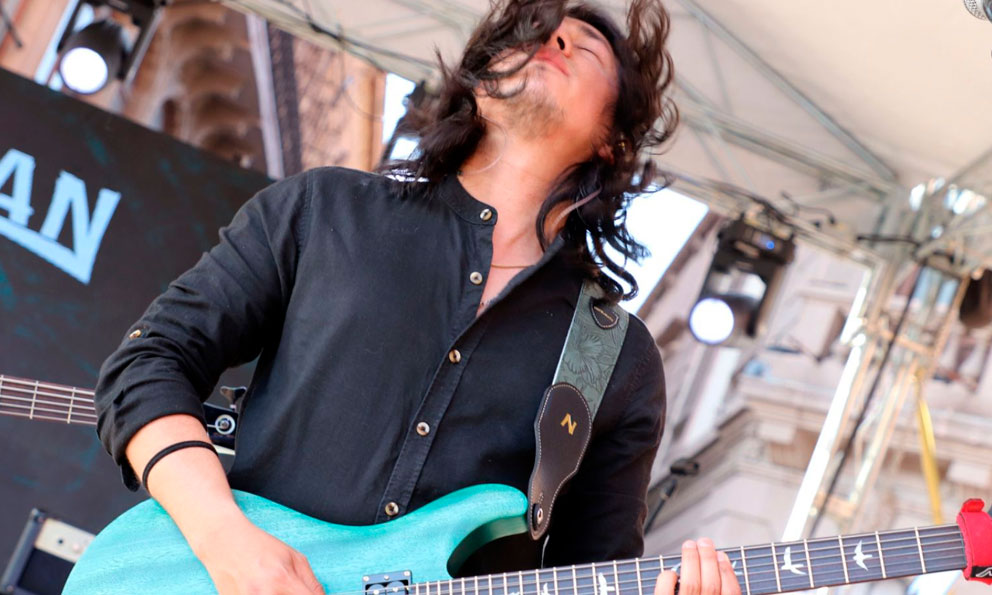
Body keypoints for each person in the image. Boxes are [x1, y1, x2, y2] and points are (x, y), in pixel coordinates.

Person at [94, 1, 741, 594]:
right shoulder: (326, 209)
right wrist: (225, 540)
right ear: (480, 84)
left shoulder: (619, 360)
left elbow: (593, 575)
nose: (554, 41)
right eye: (533, 34)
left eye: (585, 47)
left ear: (613, 140)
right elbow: (146, 365)